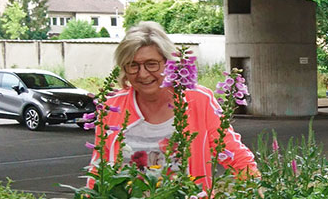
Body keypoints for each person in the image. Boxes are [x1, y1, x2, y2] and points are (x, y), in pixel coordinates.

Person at [92, 21, 257, 188]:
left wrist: (257, 189)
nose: (142, 74)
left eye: (151, 64)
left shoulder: (199, 100)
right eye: (133, 65)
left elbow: (232, 153)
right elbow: (98, 169)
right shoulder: (111, 107)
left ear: (168, 63)